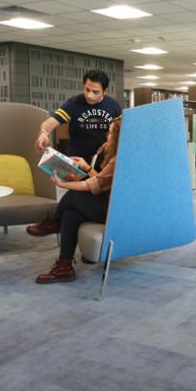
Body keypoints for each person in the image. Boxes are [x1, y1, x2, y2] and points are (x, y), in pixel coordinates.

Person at [27, 69, 121, 236]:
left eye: (95, 92)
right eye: (87, 89)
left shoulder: (113, 106)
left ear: (105, 91)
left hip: (103, 163)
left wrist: (111, 141)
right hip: (77, 162)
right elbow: (51, 121)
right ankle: (59, 226)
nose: (90, 95)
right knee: (77, 196)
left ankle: (59, 225)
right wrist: (43, 133)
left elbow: (120, 129)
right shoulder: (74, 103)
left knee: (93, 201)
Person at [34, 116, 122, 284]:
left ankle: (54, 223)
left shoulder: (118, 160)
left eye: (111, 134)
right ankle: (64, 267)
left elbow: (92, 185)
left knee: (75, 195)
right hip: (110, 204)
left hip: (115, 211)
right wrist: (87, 167)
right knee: (70, 214)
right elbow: (103, 183)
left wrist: (62, 184)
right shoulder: (118, 155)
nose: (107, 137)